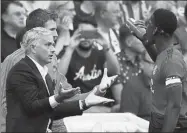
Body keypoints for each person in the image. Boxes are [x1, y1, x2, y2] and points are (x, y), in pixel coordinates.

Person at [6, 27, 117, 132]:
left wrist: (84, 103)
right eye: (48, 45)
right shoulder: (21, 71)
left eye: (53, 45)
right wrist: (58, 98)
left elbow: (51, 110)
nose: (53, 49)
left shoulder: (42, 72)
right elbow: (33, 107)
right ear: (33, 48)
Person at [134, 9, 187, 132]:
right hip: (160, 120)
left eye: (150, 23)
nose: (146, 26)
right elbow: (159, 63)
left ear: (159, 30)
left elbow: (174, 105)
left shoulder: (172, 61)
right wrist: (145, 41)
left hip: (173, 124)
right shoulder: (165, 54)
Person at [117, 25, 152, 121]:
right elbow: (120, 101)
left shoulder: (143, 59)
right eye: (141, 39)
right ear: (128, 42)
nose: (145, 41)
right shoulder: (116, 63)